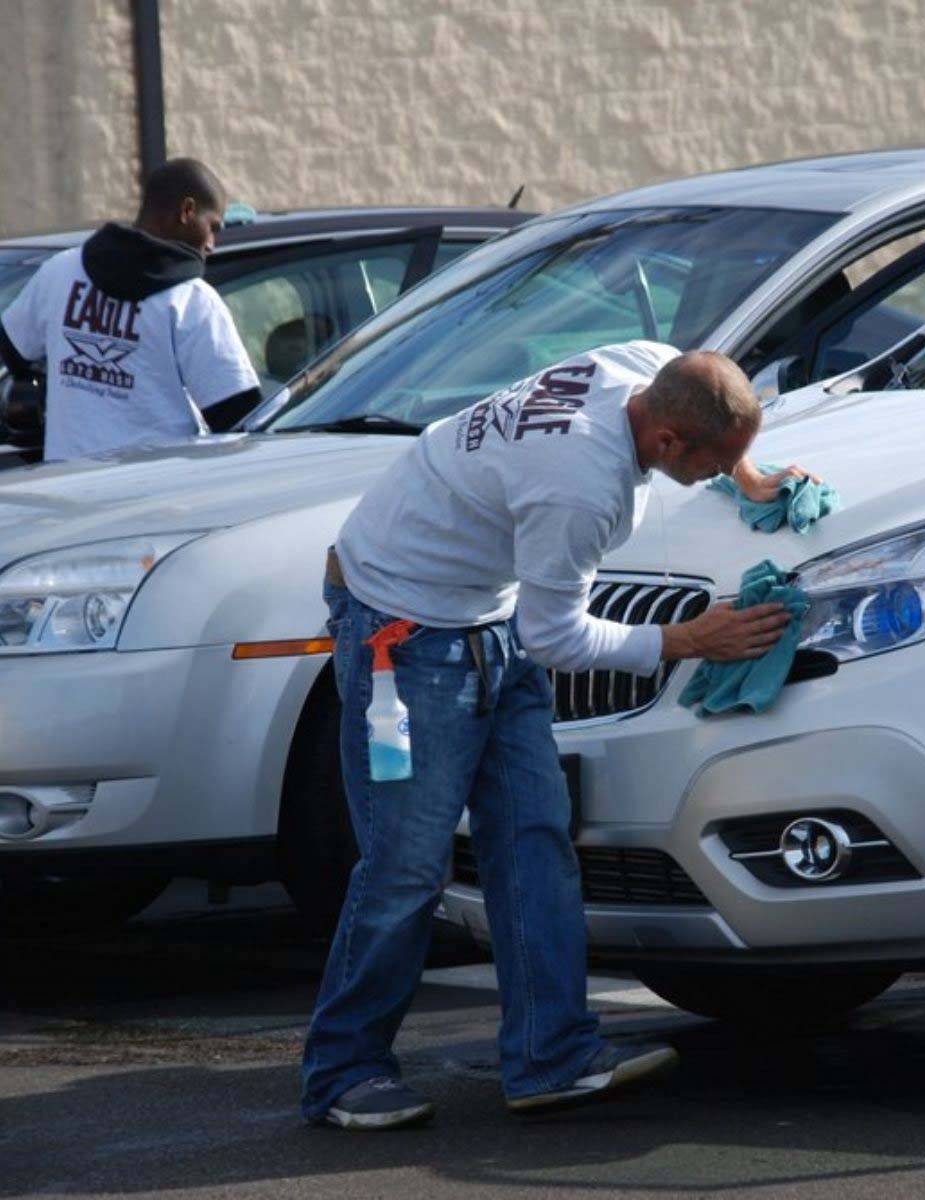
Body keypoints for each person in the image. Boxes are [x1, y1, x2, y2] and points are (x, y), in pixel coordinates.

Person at [303, 341, 809, 1129]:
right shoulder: (578, 483)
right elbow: (556, 638)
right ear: (667, 440)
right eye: (712, 462)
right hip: (404, 636)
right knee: (405, 866)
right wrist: (686, 640)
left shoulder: (644, 363)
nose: (718, 474)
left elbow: (706, 395)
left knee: (535, 840)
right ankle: (343, 1071)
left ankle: (550, 1057)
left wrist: (744, 471)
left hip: (489, 616)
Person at [0, 157, 260, 460]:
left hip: (67, 479)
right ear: (187, 210)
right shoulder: (192, 300)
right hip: (154, 482)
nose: (212, 244)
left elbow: (12, 351)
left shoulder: (60, 271)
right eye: (212, 227)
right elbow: (239, 416)